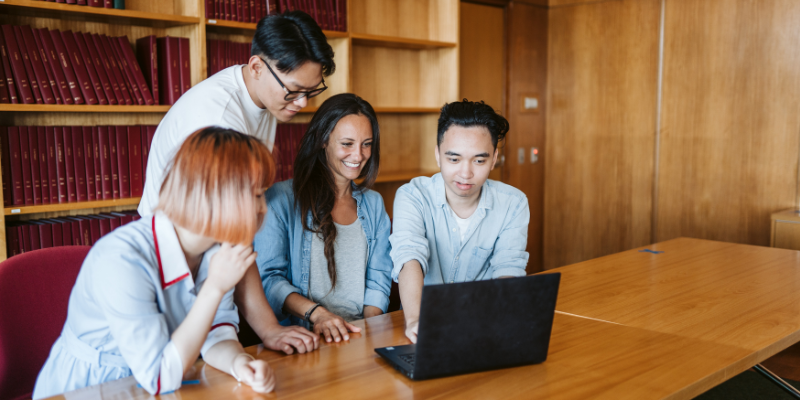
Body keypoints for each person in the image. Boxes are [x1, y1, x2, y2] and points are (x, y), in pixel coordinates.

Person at [139, 10, 334, 354]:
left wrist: (268, 329)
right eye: (293, 91)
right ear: (257, 66)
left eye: (311, 90)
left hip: (206, 250)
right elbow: (235, 236)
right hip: (169, 255)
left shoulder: (262, 98)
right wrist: (269, 329)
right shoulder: (219, 118)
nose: (302, 103)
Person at [33, 127, 278, 399]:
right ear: (213, 194)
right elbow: (159, 376)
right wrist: (215, 288)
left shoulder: (217, 246)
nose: (263, 208)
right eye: (256, 195)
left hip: (162, 382)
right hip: (91, 388)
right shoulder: (121, 260)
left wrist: (239, 364)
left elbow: (217, 329)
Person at [253, 93, 392, 344]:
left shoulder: (374, 204)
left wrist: (368, 330)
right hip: (306, 338)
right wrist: (319, 315)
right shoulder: (281, 200)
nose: (358, 156)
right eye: (347, 143)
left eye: (367, 144)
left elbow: (378, 279)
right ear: (323, 141)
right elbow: (269, 279)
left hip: (360, 337)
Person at [390, 100, 530, 343]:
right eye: (454, 159)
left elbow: (508, 270)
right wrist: (415, 320)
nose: (465, 173)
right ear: (438, 155)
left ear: (494, 158)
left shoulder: (513, 203)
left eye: (479, 160)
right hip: (421, 329)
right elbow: (408, 256)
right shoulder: (413, 195)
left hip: (483, 327)